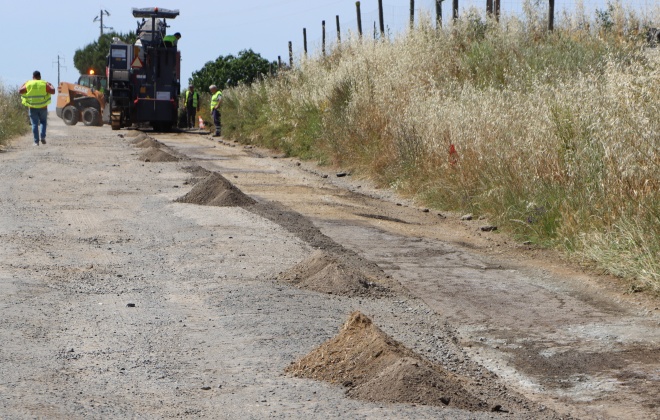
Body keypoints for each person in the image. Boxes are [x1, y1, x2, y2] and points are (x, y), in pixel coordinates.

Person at [19, 70, 55, 146]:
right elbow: (53, 91)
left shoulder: (29, 84)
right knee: (43, 122)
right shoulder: (44, 84)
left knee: (34, 124)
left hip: (32, 107)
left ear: (33, 77)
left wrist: (23, 84)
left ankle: (36, 142)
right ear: (40, 77)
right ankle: (42, 137)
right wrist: (50, 84)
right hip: (43, 106)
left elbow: (20, 91)